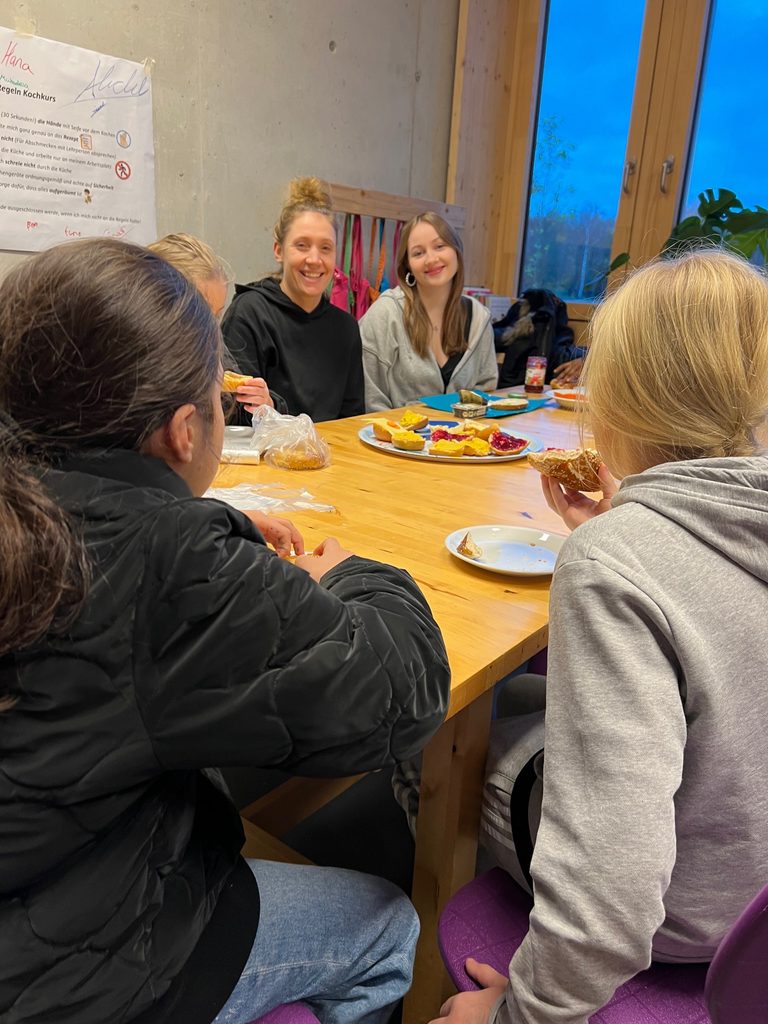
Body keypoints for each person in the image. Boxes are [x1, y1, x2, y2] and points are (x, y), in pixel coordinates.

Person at [0, 238, 451, 1024]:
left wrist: (192, 518)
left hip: (39, 882)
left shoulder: (43, 509)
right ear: (184, 430)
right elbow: (402, 689)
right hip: (68, 975)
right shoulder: (169, 563)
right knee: (388, 920)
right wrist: (356, 572)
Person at [432, 249, 768, 1024]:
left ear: (617, 397)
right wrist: (631, 523)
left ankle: (427, 858)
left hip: (685, 919)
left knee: (446, 733)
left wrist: (520, 1014)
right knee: (521, 694)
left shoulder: (613, 563)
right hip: (755, 901)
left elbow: (612, 890)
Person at [221, 178, 365, 422]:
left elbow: (352, 421)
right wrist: (267, 408)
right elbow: (232, 416)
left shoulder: (346, 329)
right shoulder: (249, 314)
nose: (314, 259)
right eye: (302, 245)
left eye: (326, 248)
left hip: (334, 457)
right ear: (279, 250)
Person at [359, 212, 498, 411]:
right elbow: (369, 402)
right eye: (418, 253)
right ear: (408, 265)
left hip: (464, 440)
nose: (431, 259)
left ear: (456, 251)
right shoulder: (385, 313)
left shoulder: (479, 317)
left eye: (440, 246)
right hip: (394, 439)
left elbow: (486, 395)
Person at [148, 232, 283, 416]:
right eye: (201, 315)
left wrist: (263, 403)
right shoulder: (133, 367)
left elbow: (236, 413)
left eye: (217, 316)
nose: (211, 329)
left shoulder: (211, 351)